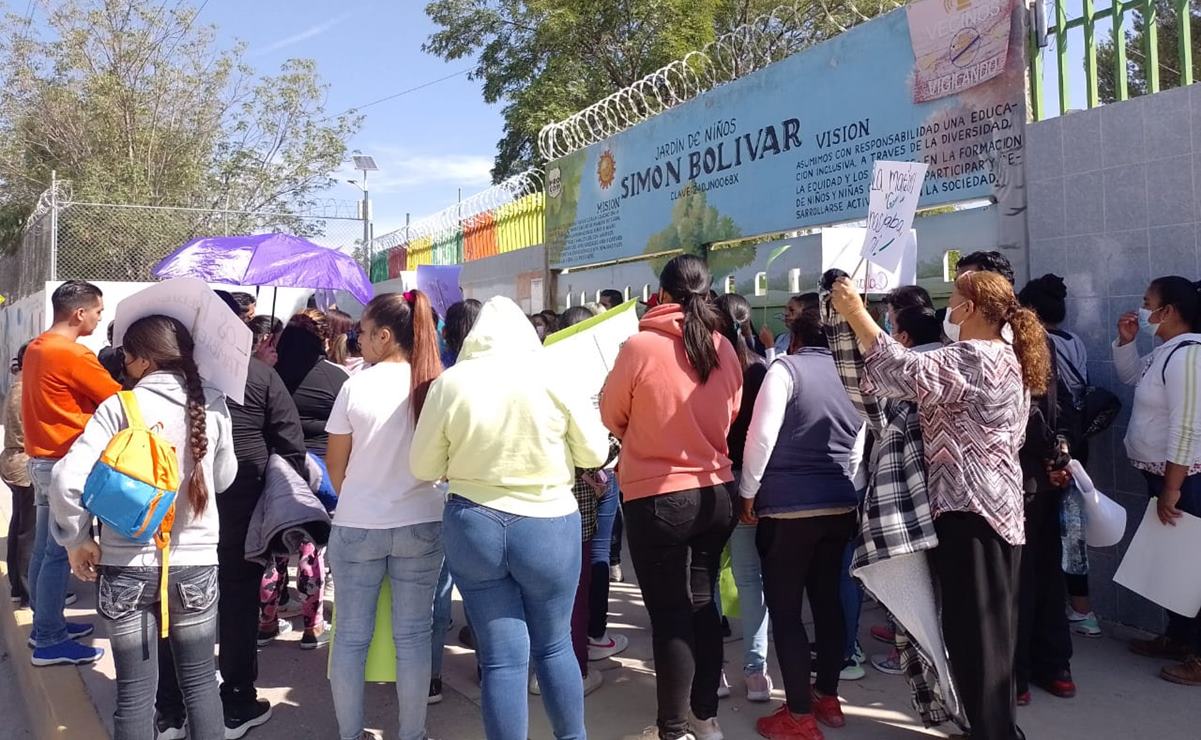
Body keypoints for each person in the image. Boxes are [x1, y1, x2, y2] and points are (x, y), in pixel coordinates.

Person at [830, 269, 1050, 740]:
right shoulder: (1004, 357)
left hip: (972, 510)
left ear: (969, 308)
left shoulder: (973, 357)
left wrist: (854, 313)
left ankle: (992, 732)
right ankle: (995, 727)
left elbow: (896, 373)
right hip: (995, 508)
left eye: (953, 297)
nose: (947, 307)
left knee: (977, 639)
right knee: (991, 635)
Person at [411, 296, 609, 740]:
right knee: (556, 646)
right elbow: (595, 452)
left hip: (473, 524)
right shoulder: (554, 374)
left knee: (502, 658)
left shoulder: (452, 382)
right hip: (548, 524)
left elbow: (423, 467)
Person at [49, 315, 236, 740]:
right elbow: (223, 479)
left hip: (126, 564)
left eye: (127, 357)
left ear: (146, 361)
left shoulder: (120, 406)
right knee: (203, 684)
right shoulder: (212, 403)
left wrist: (77, 538)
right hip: (197, 565)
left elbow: (66, 479)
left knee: (135, 694)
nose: (125, 364)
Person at [153, 289, 308, 739]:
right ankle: (235, 701)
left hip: (174, 513)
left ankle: (172, 709)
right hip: (241, 510)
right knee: (237, 603)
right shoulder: (258, 375)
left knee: (174, 602)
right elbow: (289, 444)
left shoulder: (163, 379)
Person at [600, 254, 743, 740]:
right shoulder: (724, 346)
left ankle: (673, 729)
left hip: (659, 498)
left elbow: (611, 413)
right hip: (715, 493)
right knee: (702, 608)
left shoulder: (640, 346)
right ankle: (705, 719)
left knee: (670, 616)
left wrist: (646, 432)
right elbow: (731, 412)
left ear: (660, 294)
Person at [739, 296, 865, 740]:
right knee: (828, 601)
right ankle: (826, 696)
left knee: (788, 610)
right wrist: (840, 487)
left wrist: (748, 493)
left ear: (797, 336)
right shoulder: (854, 376)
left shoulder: (784, 370)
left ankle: (797, 715)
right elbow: (855, 450)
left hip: (789, 508)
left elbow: (761, 438)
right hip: (839, 503)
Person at [324, 290, 445, 740]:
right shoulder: (435, 383)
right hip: (422, 522)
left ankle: (351, 734)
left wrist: (359, 495)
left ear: (385, 335)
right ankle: (413, 734)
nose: (358, 340)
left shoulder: (355, 385)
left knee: (350, 639)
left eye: (362, 332)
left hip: (358, 525)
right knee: (413, 638)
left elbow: (336, 463)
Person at [22, 280, 121, 666]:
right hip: (65, 464)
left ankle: (45, 626)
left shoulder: (37, 347)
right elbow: (118, 398)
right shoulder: (74, 354)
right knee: (59, 555)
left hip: (44, 461)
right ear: (80, 313)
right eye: (98, 311)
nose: (100, 317)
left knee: (48, 552)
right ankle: (49, 639)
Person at [1114, 276, 1201, 686]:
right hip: (1162, 478)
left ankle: (1198, 655)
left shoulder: (1188, 356)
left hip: (1184, 482)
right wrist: (1127, 340)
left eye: (1147, 302)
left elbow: (1188, 427)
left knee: (1191, 566)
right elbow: (1132, 378)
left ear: (1167, 312)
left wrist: (1172, 487)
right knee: (1172, 564)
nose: (1142, 308)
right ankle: (1178, 638)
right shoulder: (1166, 352)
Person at [1018, 275, 1100, 638]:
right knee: (1070, 528)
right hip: (1071, 443)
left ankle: (1073, 611)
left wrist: (1052, 453)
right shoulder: (1075, 341)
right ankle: (1081, 609)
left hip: (1050, 449)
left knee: (1054, 536)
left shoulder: (1039, 342)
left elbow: (1041, 405)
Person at [714, 293, 774, 703]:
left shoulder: (704, 367)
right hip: (749, 482)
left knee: (705, 579)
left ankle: (713, 670)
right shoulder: (760, 369)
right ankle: (756, 673)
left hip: (711, 480)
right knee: (750, 578)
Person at [426, 297, 484, 704]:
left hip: (447, 493)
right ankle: (489, 667)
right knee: (483, 592)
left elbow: (426, 454)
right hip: (488, 498)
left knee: (438, 592)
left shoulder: (441, 379)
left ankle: (430, 677)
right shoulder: (505, 376)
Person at [275, 310, 350, 456]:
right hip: (324, 463)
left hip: (277, 460)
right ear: (324, 341)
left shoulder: (268, 374)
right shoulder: (338, 377)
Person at [3, 343, 34, 609]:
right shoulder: (26, 389)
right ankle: (27, 593)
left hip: (15, 464)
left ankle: (18, 586)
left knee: (19, 528)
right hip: (24, 465)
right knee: (29, 534)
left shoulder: (18, 385)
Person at [757, 294, 806, 359]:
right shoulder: (780, 338)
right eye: (786, 309)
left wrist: (769, 346)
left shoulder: (809, 343)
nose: (786, 313)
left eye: (791, 310)